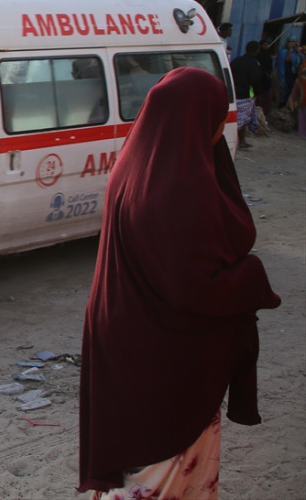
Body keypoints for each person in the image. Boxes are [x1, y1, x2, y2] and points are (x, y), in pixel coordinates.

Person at [78, 67, 281, 499]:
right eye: (215, 115)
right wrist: (253, 275)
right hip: (164, 351)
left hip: (121, 332)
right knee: (162, 463)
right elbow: (194, 287)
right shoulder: (179, 187)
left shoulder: (137, 163)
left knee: (135, 452)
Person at [230, 41, 263, 148]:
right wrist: (258, 92)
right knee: (243, 120)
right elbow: (255, 80)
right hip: (245, 95)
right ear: (256, 51)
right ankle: (238, 141)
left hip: (233, 93)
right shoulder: (254, 63)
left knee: (238, 119)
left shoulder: (236, 60)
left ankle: (240, 141)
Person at [277, 37, 303, 108]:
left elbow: (302, 60)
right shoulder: (283, 51)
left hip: (293, 75)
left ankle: (286, 105)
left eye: (294, 42)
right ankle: (281, 105)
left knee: (290, 91)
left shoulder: (296, 52)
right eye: (291, 41)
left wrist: (298, 52)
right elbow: (287, 60)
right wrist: (290, 50)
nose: (293, 43)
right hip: (285, 74)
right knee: (283, 92)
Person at [255, 38, 274, 115]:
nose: (267, 46)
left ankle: (264, 111)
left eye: (268, 44)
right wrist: (267, 75)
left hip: (266, 79)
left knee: (265, 96)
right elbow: (262, 67)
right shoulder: (259, 55)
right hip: (261, 78)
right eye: (265, 45)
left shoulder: (268, 54)